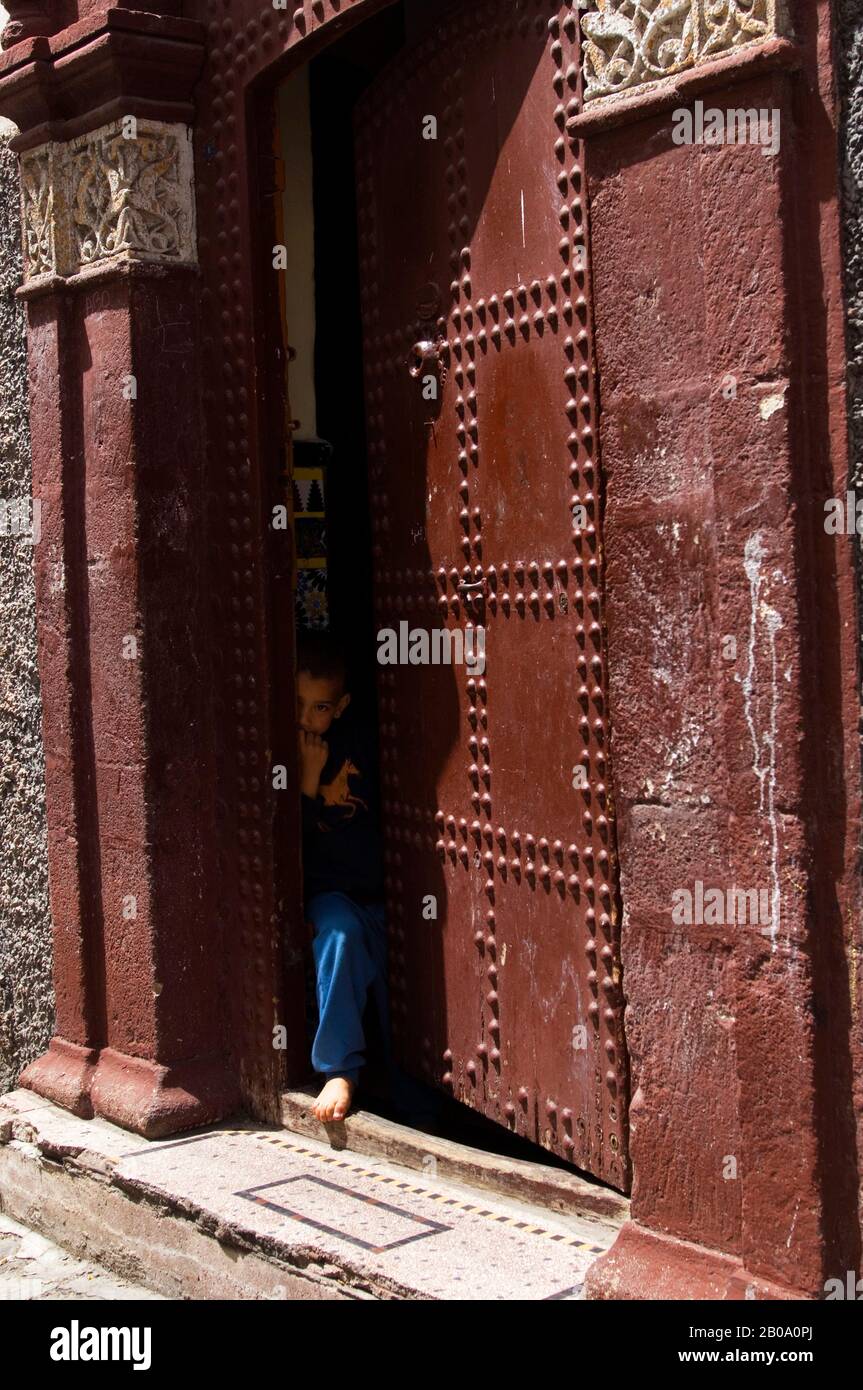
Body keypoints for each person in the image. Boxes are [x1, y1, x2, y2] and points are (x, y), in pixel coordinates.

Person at [296, 631, 390, 1124]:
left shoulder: (360, 744)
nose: (307, 718)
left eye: (320, 708)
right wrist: (306, 783)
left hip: (375, 891)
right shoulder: (287, 752)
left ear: (343, 705)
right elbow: (284, 842)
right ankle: (339, 1068)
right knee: (340, 937)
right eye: (299, 703)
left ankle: (406, 1079)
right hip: (328, 894)